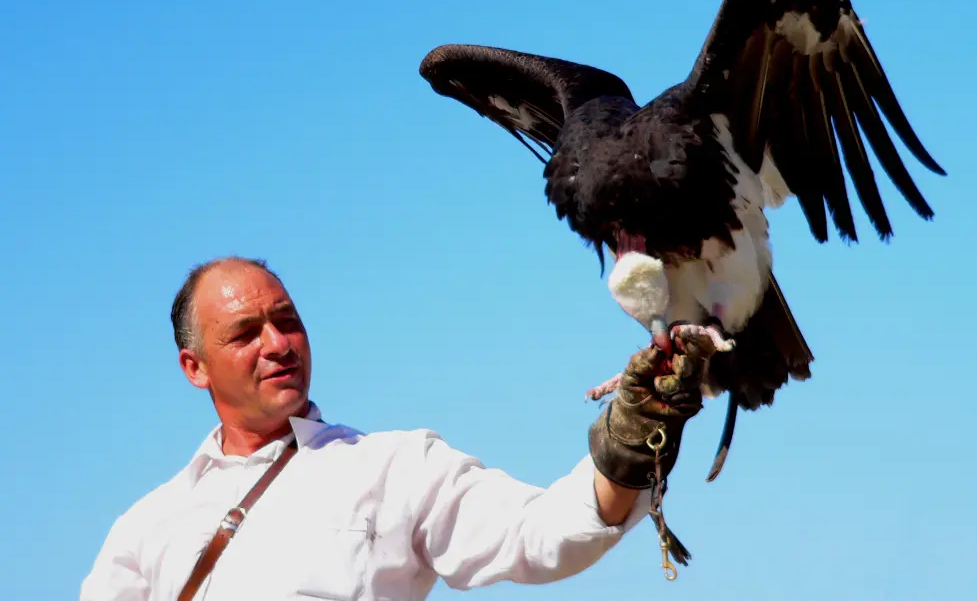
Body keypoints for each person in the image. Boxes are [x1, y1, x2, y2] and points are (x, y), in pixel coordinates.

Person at [80, 256, 704, 600]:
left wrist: (626, 447)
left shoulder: (394, 468)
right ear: (195, 368)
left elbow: (539, 535)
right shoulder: (147, 527)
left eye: (287, 321)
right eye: (245, 333)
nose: (277, 344)